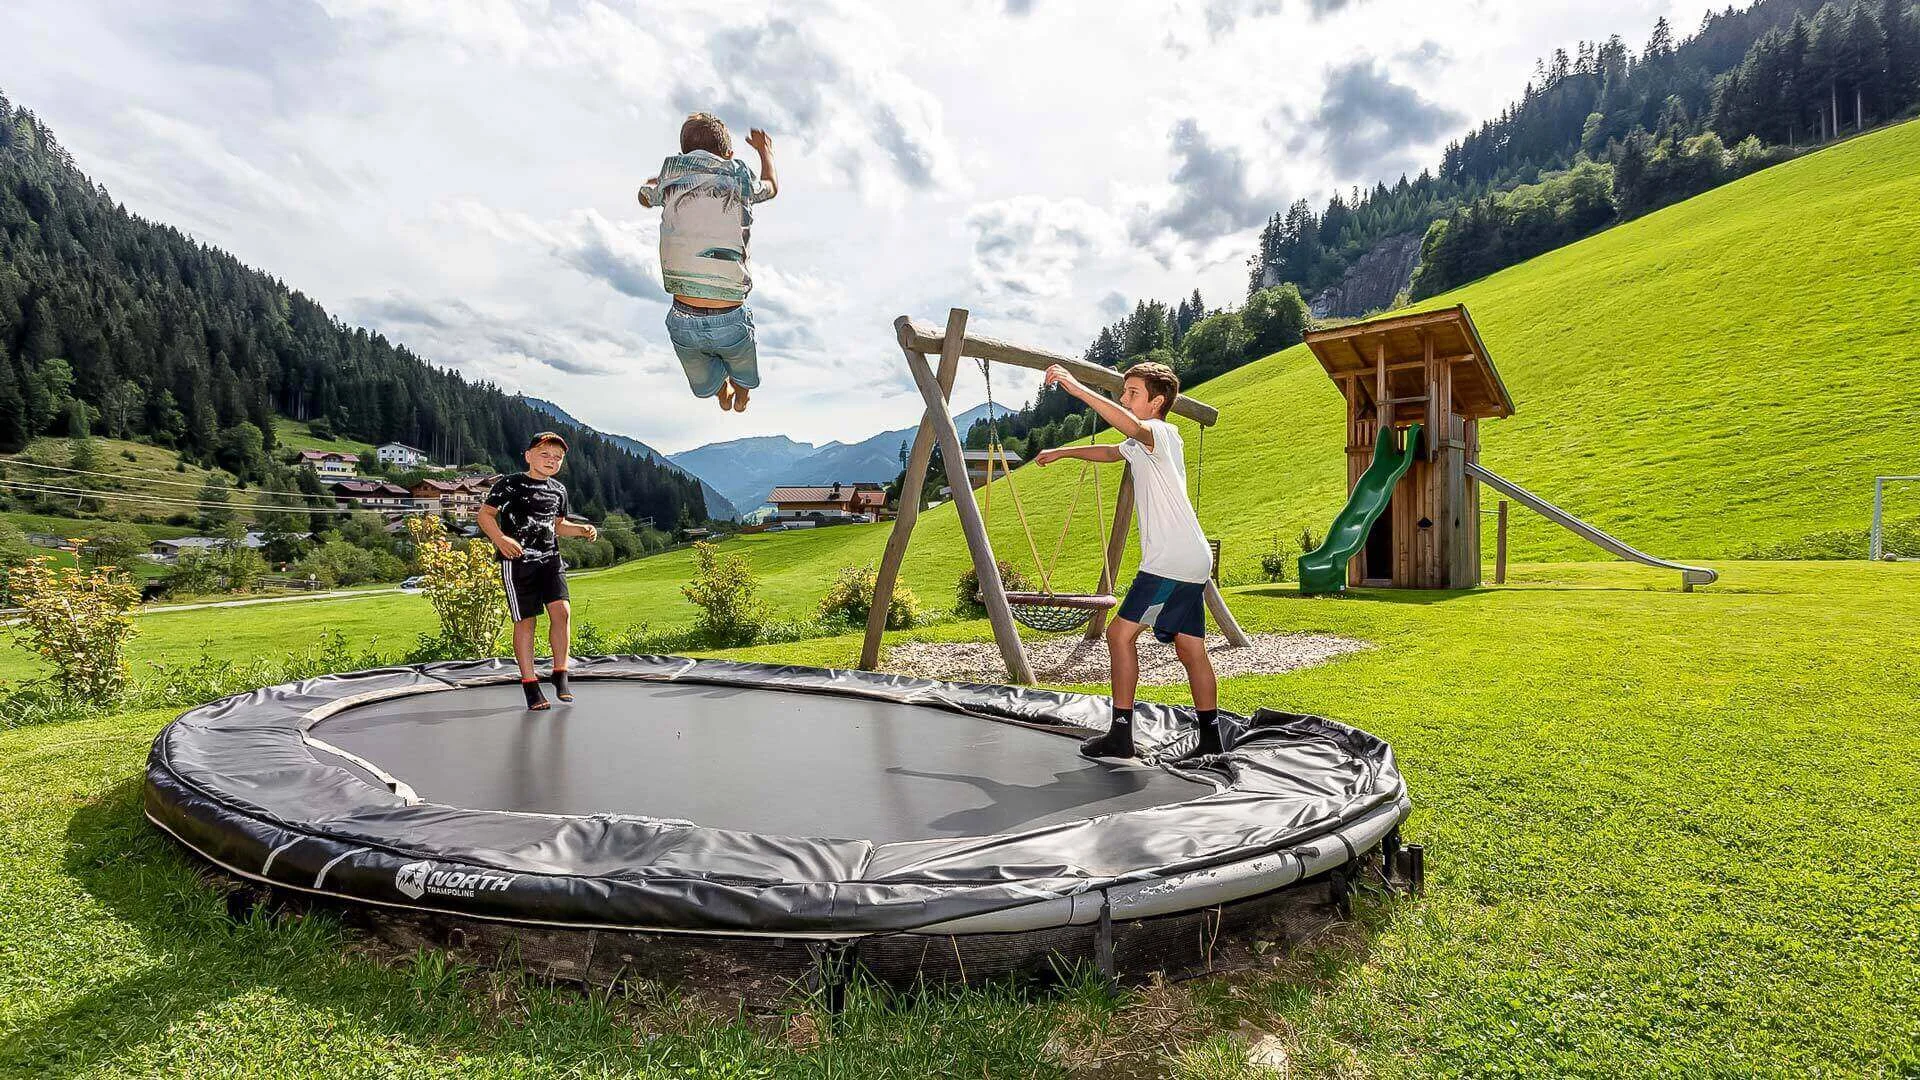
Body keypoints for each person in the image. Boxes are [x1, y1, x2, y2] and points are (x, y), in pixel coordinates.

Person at [1033, 362, 1221, 760]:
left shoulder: (1161, 432)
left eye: (1132, 392)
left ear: (1156, 402)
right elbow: (1112, 450)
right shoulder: (1144, 444)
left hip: (1169, 561)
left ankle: (1121, 735)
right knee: (1190, 648)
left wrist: (1075, 386)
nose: (1124, 398)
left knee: (1119, 636)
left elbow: (1129, 428)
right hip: (1191, 558)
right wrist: (1061, 452)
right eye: (1124, 391)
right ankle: (1210, 737)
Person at [636, 112, 779, 414]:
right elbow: (770, 186)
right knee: (743, 371)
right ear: (728, 154)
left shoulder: (670, 175)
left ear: (683, 153)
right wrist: (766, 151)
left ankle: (722, 394)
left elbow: (644, 197)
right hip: (729, 314)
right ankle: (741, 396)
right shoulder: (738, 174)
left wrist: (654, 184)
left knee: (705, 381)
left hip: (682, 317)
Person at [478, 431, 599, 711]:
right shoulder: (509, 484)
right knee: (526, 621)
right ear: (528, 455)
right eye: (545, 454)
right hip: (518, 562)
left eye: (557, 458)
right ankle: (530, 684)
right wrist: (501, 539)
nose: (551, 460)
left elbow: (558, 526)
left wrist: (581, 530)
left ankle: (560, 673)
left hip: (550, 559)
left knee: (562, 611)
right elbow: (485, 515)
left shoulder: (559, 490)